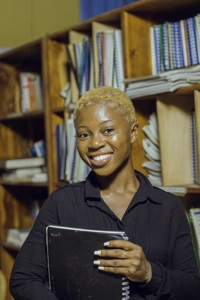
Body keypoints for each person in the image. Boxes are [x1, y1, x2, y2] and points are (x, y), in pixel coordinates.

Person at [10, 86, 200, 299]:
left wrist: (149, 273)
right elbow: (23, 280)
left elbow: (192, 288)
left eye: (108, 130)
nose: (95, 143)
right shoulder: (61, 204)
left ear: (133, 132)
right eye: (84, 134)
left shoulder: (168, 207)